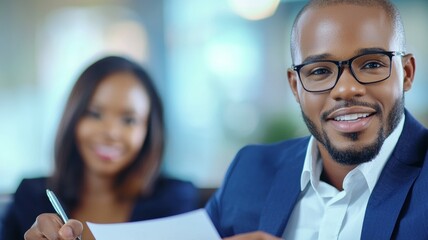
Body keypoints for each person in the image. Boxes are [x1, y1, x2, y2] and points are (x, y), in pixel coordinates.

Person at [21, 0, 428, 239]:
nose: (345, 89)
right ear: (295, 84)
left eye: (371, 64)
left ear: (406, 73)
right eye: (320, 71)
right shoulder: (250, 170)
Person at [1, 56, 199, 240]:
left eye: (129, 120)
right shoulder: (32, 197)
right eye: (95, 114)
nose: (111, 132)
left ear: (149, 130)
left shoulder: (175, 199)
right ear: (73, 118)